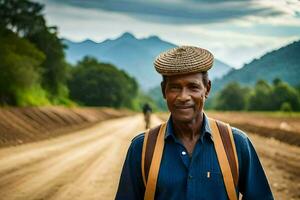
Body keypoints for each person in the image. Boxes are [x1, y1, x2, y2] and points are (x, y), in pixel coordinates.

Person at [115, 46, 274, 200]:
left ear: (207, 89)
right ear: (164, 91)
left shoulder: (237, 143)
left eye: (193, 87)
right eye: (175, 87)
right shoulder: (141, 148)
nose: (184, 96)